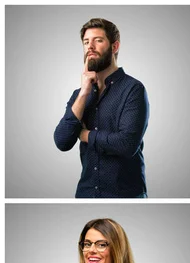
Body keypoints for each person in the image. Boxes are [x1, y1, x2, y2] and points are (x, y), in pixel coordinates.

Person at [54, 18, 149, 198]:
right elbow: (62, 141)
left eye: (98, 40)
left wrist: (85, 135)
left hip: (125, 196)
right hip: (85, 193)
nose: (90, 46)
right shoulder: (79, 94)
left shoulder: (133, 89)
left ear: (114, 47)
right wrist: (84, 93)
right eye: (86, 42)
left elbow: (127, 144)